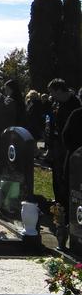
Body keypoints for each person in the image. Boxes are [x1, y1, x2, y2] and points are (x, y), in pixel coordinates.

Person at [47, 78, 81, 219]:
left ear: (60, 90)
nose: (51, 95)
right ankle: (59, 204)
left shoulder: (75, 104)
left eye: (52, 92)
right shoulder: (57, 103)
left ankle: (66, 207)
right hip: (57, 143)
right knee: (57, 175)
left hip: (69, 145)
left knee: (66, 176)